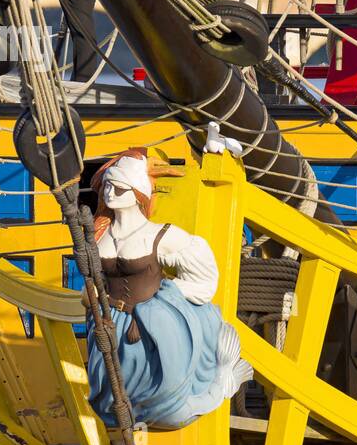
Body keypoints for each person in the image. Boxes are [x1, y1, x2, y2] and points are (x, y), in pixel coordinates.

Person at [86, 149, 251, 430]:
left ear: (138, 193)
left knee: (169, 408)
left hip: (151, 330)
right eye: (108, 185)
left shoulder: (161, 236)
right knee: (111, 404)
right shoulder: (99, 236)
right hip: (111, 326)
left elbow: (204, 278)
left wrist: (162, 301)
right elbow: (94, 281)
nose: (111, 192)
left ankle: (224, 379)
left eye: (120, 186)